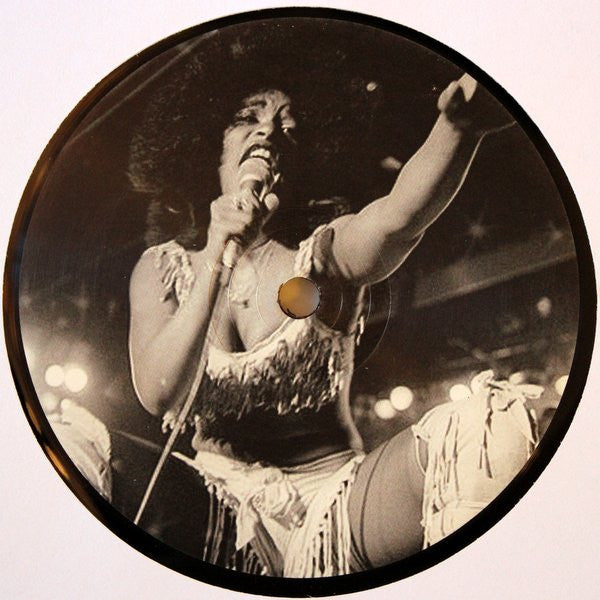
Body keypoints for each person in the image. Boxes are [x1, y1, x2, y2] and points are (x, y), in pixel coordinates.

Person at [128, 76, 541, 576]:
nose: (268, 132)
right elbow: (159, 392)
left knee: (492, 429)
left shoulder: (326, 252)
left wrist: (458, 128)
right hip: (215, 512)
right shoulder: (161, 268)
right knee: (77, 444)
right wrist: (217, 253)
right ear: (208, 150)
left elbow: (398, 219)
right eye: (248, 118)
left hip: (333, 510)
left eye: (289, 128)